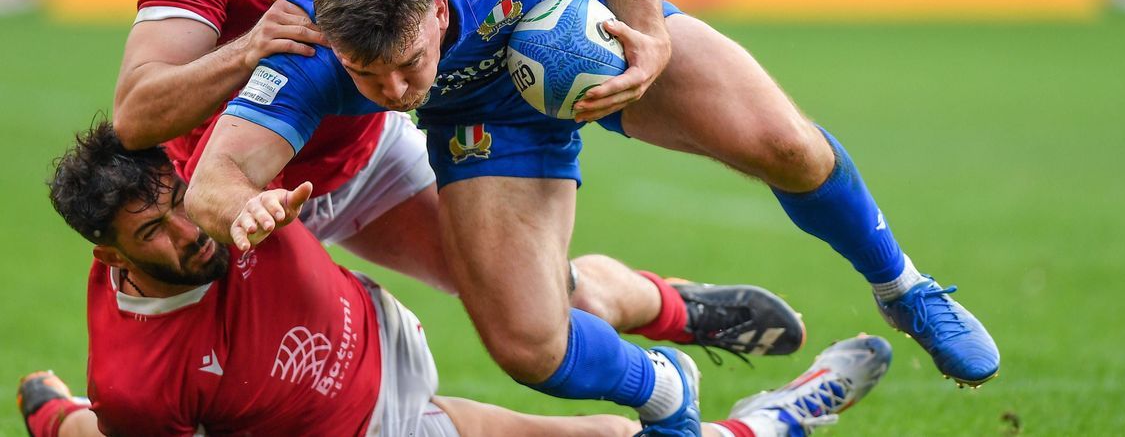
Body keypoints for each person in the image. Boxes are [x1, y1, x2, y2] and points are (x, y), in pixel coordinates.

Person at [185, 0, 999, 435]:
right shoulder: (310, 45)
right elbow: (215, 176)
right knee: (527, 345)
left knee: (785, 143)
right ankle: (667, 384)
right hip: (484, 119)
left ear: (437, 9)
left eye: (408, 62)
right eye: (370, 76)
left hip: (591, 31)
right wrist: (240, 207)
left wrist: (650, 38)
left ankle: (905, 287)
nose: (396, 90)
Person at [110, 0, 805, 358]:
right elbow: (136, 114)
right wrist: (251, 48)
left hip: (369, 147)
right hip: (245, 188)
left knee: (534, 310)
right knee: (248, 392)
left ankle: (675, 311)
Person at [18, 121, 892, 437]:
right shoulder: (138, 373)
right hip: (378, 427)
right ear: (112, 257)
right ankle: (777, 418)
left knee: (543, 304)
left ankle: (660, 306)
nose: (189, 230)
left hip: (377, 313)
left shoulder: (217, 175)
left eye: (177, 202)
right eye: (154, 234)